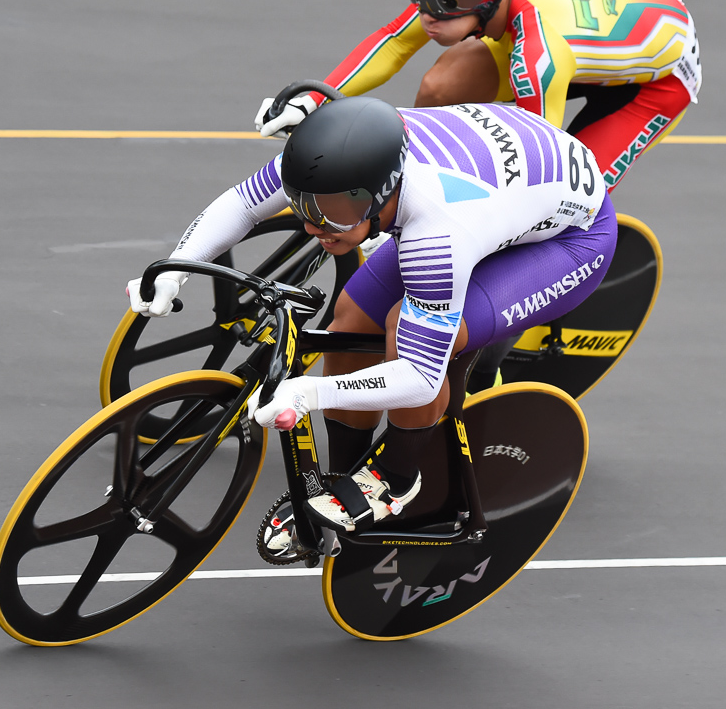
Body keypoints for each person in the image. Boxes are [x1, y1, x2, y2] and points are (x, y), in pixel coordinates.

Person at [129, 95, 617, 537]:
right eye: (304, 206)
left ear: (383, 193)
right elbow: (241, 204)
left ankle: (395, 481)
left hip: (569, 241)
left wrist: (310, 394)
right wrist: (177, 270)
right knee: (350, 317)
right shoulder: (329, 163)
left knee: (409, 329)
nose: (314, 223)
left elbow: (422, 379)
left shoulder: (437, 234)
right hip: (500, 185)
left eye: (336, 212)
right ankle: (348, 475)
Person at [255, 0, 701, 194]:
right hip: (591, 15)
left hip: (654, 82)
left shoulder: (539, 51)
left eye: (446, 2)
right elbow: (394, 41)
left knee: (566, 204)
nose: (429, 14)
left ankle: (508, 315)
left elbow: (541, 171)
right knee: (440, 87)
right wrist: (312, 99)